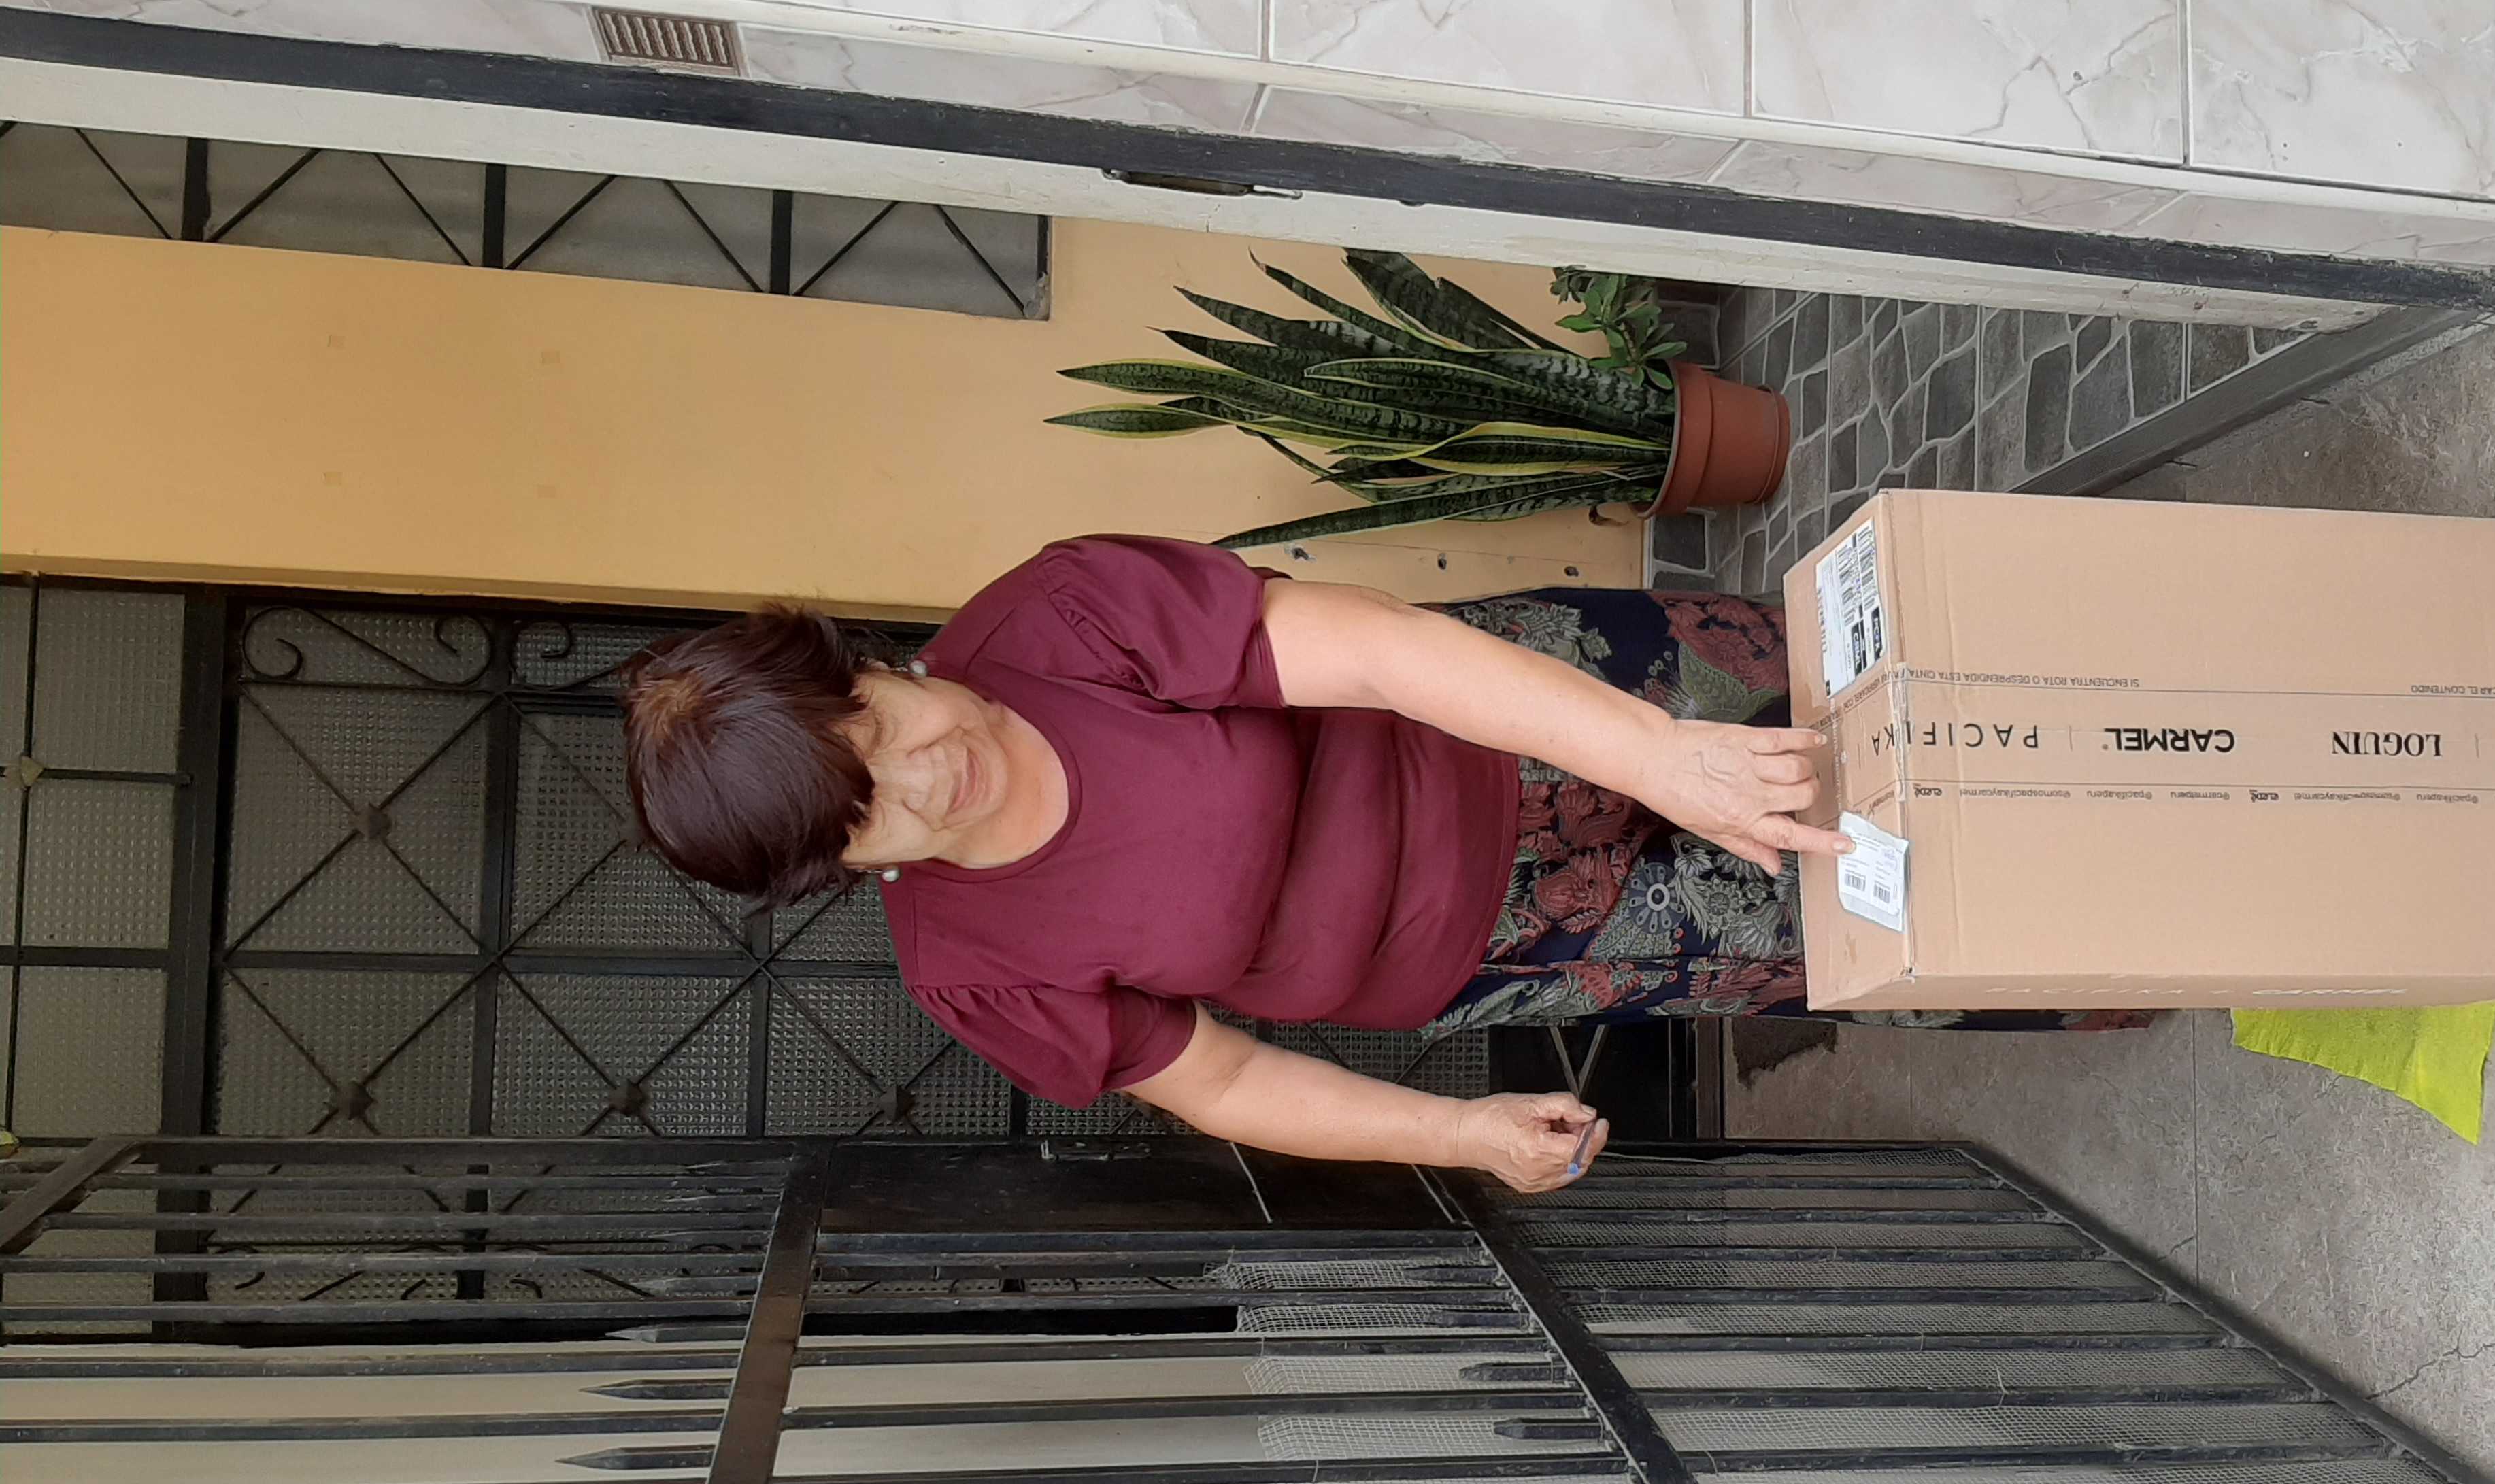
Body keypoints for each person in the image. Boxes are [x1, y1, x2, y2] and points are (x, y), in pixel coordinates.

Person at [620, 535, 2132, 1194]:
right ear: (839, 869)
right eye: (868, 812)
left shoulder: (1054, 619)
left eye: (879, 728)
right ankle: (2170, 933)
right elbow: (1221, 1082)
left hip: (1528, 714)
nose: (924, 775)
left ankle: (2170, 695)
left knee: (1881, 714)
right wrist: (1457, 1136)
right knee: (1866, 923)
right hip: (1518, 942)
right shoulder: (975, 972)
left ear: (867, 666)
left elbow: (1379, 651)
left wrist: (1651, 753)